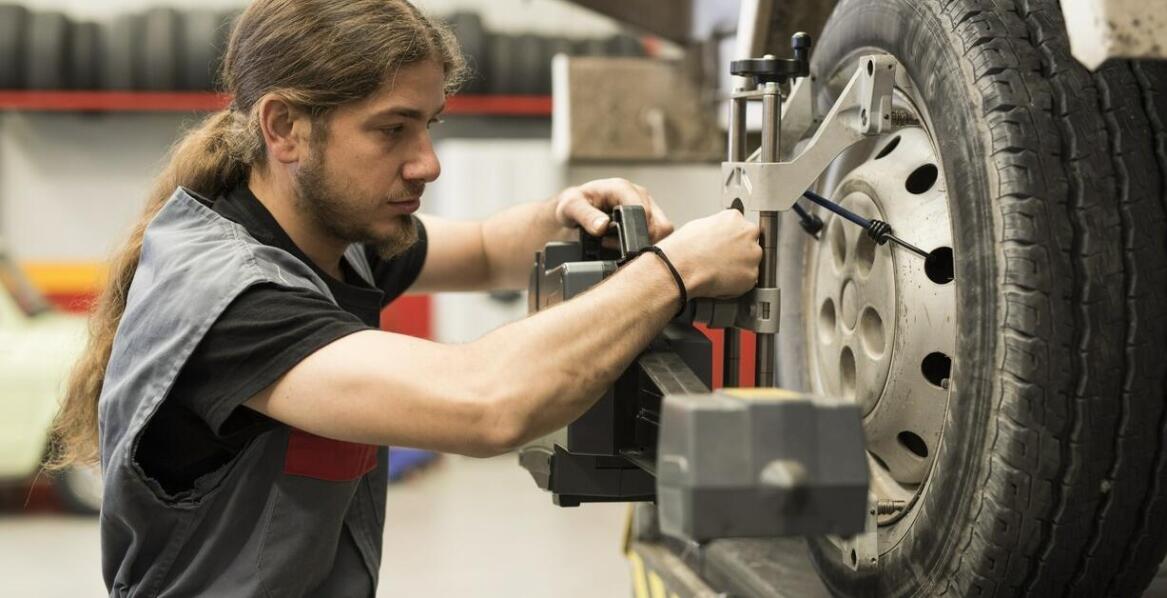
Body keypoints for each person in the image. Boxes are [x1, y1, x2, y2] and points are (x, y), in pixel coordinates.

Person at [47, 1, 762, 595]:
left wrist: (565, 211)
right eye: (392, 129)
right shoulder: (234, 302)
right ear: (284, 128)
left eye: (429, 124)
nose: (427, 162)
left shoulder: (328, 236)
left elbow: (482, 248)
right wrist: (674, 272)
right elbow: (485, 403)